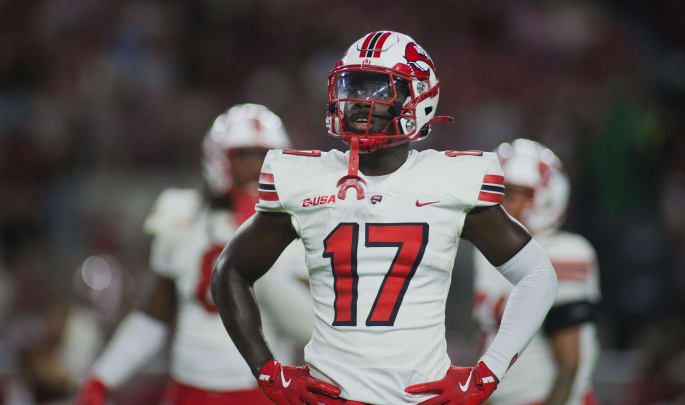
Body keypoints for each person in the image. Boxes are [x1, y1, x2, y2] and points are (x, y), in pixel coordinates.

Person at [211, 31, 559, 405]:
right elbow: (229, 271)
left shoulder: (450, 181)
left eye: (379, 89)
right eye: (353, 85)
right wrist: (267, 371)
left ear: (419, 99)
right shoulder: (305, 179)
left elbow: (537, 275)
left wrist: (487, 372)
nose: (359, 101)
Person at [75, 103, 313, 405]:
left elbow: (306, 329)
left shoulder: (298, 224)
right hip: (187, 389)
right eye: (246, 156)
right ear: (219, 159)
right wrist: (103, 375)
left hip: (259, 390)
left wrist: (259, 251)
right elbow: (153, 316)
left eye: (266, 156)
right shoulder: (181, 214)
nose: (258, 167)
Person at [473, 139, 601, 405]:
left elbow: (568, 366)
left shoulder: (561, 252)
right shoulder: (488, 253)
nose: (495, 201)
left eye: (508, 193)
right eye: (493, 190)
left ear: (544, 197)